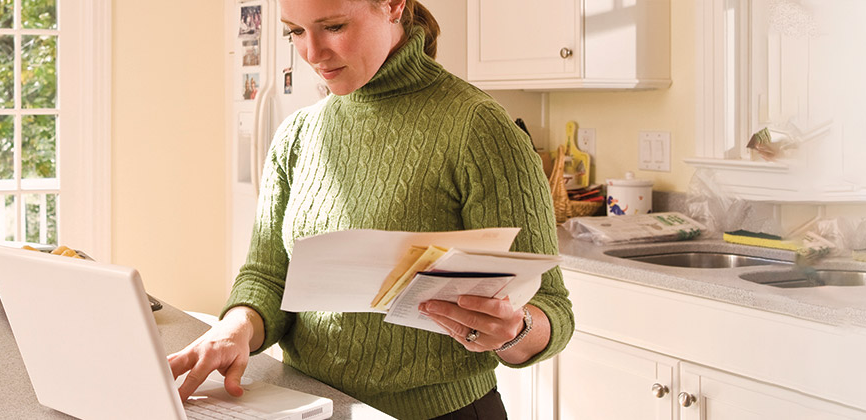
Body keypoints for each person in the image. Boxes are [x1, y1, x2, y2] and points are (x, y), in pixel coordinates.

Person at [165, 0, 572, 419]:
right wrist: (236, 327)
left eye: (334, 26)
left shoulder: (480, 128)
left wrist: (515, 331)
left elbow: (552, 307)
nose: (312, 53)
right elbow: (267, 276)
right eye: (295, 32)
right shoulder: (297, 135)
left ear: (394, 5)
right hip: (312, 406)